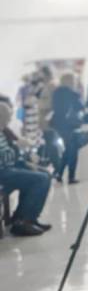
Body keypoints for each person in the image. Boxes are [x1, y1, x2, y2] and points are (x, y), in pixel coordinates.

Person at [0, 101, 51, 236]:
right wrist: (17, 148)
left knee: (44, 174)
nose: (9, 120)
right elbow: (4, 157)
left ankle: (27, 218)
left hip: (7, 168)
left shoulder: (3, 131)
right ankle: (23, 221)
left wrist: (23, 159)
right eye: (7, 117)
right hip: (3, 172)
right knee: (39, 179)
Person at [50, 72, 84, 184]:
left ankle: (59, 174)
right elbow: (80, 107)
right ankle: (71, 177)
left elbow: (54, 107)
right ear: (71, 81)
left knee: (68, 149)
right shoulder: (73, 93)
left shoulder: (56, 92)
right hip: (70, 125)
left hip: (58, 125)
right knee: (73, 150)